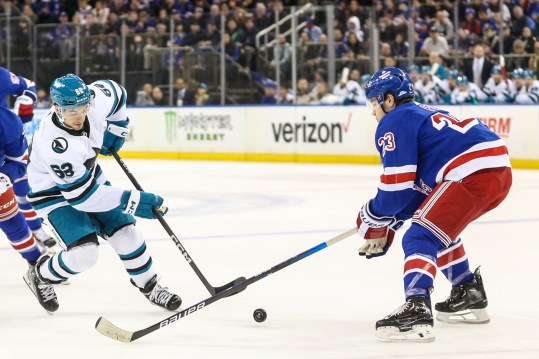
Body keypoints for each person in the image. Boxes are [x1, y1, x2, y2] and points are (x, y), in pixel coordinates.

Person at [357, 67, 512, 342]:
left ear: (389, 99)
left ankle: (417, 306)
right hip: (493, 168)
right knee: (435, 227)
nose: (373, 111)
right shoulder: (419, 113)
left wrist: (370, 217)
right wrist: (389, 224)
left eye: (374, 102)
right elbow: (414, 197)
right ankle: (468, 292)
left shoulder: (394, 121)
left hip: (470, 171)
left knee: (420, 235)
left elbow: (395, 191)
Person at [25, 74, 182, 314]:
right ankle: (40, 274)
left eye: (83, 108)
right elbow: (81, 197)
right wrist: (135, 201)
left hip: (86, 179)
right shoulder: (54, 144)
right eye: (71, 111)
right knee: (86, 254)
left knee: (127, 232)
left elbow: (117, 91)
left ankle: (150, 287)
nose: (79, 116)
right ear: (56, 107)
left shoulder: (94, 100)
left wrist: (118, 128)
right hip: (53, 194)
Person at [0, 66, 57, 250]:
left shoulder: (2, 76)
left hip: (6, 139)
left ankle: (36, 231)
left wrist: (26, 100)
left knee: (22, 188)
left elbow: (28, 85)